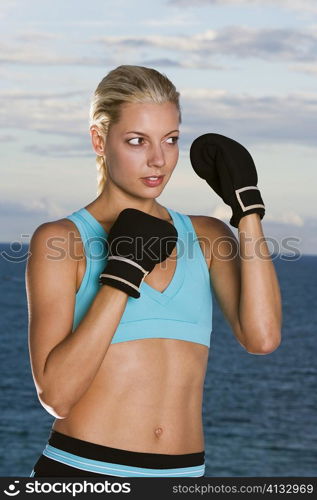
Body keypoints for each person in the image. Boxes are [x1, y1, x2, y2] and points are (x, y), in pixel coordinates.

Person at [26, 64, 282, 478]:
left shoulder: (205, 235)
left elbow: (263, 338)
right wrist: (123, 274)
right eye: (136, 141)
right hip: (86, 473)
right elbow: (56, 395)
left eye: (171, 140)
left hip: (184, 477)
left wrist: (248, 210)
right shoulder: (62, 240)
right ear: (99, 140)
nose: (158, 160)